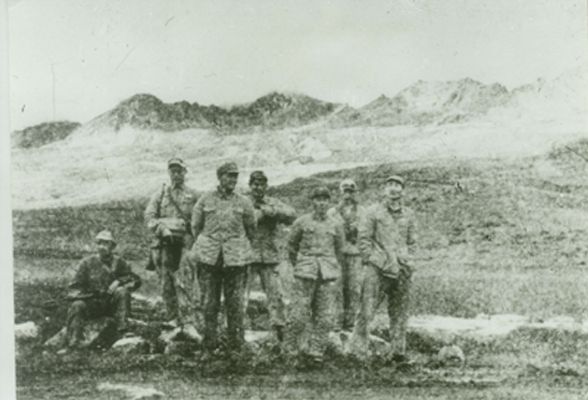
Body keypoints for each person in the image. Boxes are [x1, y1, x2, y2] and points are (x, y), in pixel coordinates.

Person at [348, 175, 417, 361]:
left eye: (397, 185)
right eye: (390, 185)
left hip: (401, 269)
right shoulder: (373, 212)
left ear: (403, 190)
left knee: (400, 312)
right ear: (384, 190)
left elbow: (412, 242)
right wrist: (374, 260)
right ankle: (357, 353)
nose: (393, 188)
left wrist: (409, 260)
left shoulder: (409, 214)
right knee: (367, 310)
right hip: (377, 269)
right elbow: (363, 240)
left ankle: (398, 353)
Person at [191, 162, 256, 355]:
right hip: (209, 260)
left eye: (235, 176)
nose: (233, 180)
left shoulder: (244, 202)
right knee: (209, 303)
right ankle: (210, 345)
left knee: (235, 304)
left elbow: (251, 229)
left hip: (235, 260)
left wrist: (237, 247)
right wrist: (208, 245)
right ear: (220, 177)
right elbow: (195, 226)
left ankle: (235, 346)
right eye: (229, 175)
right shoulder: (205, 199)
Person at [285, 186, 345, 363]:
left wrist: (332, 267)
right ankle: (290, 351)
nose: (321, 203)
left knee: (325, 316)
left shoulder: (336, 224)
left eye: (325, 199)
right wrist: (301, 265)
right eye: (318, 199)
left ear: (329, 202)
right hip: (305, 273)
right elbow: (291, 247)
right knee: (298, 314)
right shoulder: (302, 222)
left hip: (327, 275)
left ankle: (316, 352)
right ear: (312, 202)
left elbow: (340, 250)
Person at [144, 157, 199, 326]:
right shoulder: (161, 194)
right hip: (164, 244)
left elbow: (199, 220)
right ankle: (172, 319)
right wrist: (162, 228)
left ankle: (188, 321)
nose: (176, 174)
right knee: (166, 283)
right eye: (173, 171)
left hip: (185, 243)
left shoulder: (193, 195)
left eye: (179, 171)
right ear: (169, 173)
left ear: (185, 172)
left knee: (184, 280)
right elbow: (149, 217)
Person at [66, 230, 141, 348]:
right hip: (92, 304)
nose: (102, 247)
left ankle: (124, 330)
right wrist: (88, 295)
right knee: (77, 305)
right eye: (99, 243)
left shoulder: (119, 262)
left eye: (106, 243)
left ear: (112, 246)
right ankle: (75, 340)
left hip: (111, 305)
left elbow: (135, 280)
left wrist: (119, 282)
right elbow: (74, 287)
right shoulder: (86, 263)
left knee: (122, 292)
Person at [245, 170, 296, 341]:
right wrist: (255, 215)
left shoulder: (272, 202)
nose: (258, 188)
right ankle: (237, 330)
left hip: (269, 257)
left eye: (261, 184)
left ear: (266, 186)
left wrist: (270, 211)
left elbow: (291, 214)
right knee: (241, 295)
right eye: (255, 184)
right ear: (250, 185)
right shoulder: (244, 202)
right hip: (247, 256)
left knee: (276, 295)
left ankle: (279, 330)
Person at [327, 178, 365, 331]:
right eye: (345, 191)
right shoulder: (332, 212)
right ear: (340, 193)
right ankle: (336, 322)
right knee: (337, 288)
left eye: (351, 191)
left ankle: (350, 323)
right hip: (337, 255)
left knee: (354, 289)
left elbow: (367, 233)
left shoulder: (362, 212)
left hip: (355, 254)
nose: (348, 195)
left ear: (355, 193)